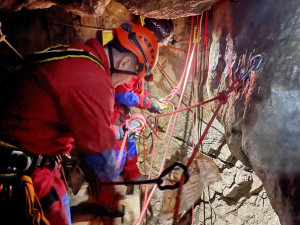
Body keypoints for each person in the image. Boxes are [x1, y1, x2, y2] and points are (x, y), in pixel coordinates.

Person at [0, 23, 158, 225]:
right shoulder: (94, 81)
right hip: (20, 172)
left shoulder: (82, 56)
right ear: (126, 62)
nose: (128, 81)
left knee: (63, 202)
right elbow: (100, 157)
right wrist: (112, 205)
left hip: (35, 159)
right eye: (133, 76)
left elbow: (80, 119)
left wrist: (117, 131)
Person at [113, 18, 176, 182]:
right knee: (118, 145)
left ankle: (131, 174)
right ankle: (111, 184)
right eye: (159, 43)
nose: (159, 47)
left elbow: (132, 88)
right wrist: (148, 104)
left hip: (119, 110)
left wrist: (149, 97)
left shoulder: (138, 54)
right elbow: (122, 94)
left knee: (132, 133)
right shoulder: (130, 53)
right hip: (110, 111)